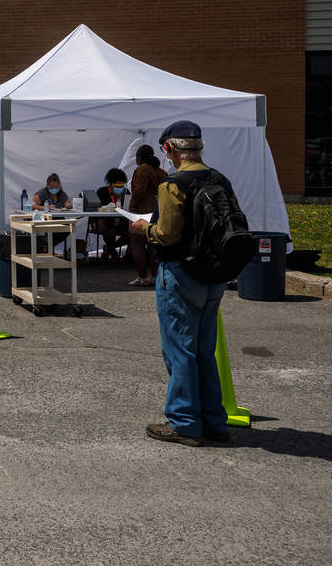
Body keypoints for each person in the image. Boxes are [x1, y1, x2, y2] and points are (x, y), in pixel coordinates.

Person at [130, 121, 234, 447]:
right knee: (204, 350)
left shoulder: (173, 185)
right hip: (214, 273)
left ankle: (184, 420)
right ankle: (213, 419)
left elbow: (167, 233)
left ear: (170, 150)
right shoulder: (220, 179)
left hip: (180, 271)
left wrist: (141, 230)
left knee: (179, 351)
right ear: (199, 147)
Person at [127, 144, 167, 286]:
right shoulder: (162, 172)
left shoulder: (142, 169)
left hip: (141, 212)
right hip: (157, 211)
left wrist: (132, 206)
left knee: (137, 244)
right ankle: (154, 277)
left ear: (139, 157)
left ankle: (142, 277)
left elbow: (138, 192)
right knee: (153, 244)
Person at [91, 167, 130, 260]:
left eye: (122, 185)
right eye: (117, 186)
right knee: (108, 230)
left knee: (132, 232)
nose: (119, 188)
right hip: (106, 222)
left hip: (121, 222)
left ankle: (109, 249)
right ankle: (112, 251)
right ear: (111, 184)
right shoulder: (102, 192)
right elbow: (95, 209)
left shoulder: (126, 192)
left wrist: (121, 199)